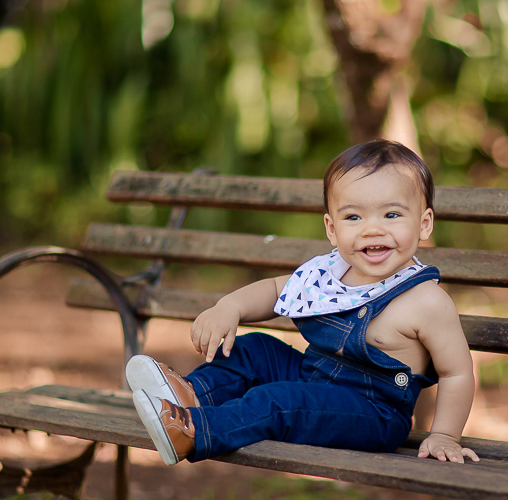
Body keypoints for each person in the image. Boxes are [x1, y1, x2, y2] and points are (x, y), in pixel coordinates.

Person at [127, 140, 480, 467]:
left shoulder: (426, 300)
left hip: (372, 414)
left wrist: (445, 435)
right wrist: (230, 307)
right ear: (332, 229)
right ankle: (192, 395)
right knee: (255, 349)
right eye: (353, 217)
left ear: (424, 224)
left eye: (391, 215)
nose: (372, 229)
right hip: (311, 378)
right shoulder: (328, 274)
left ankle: (194, 432)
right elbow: (274, 289)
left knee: (279, 402)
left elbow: (457, 372)